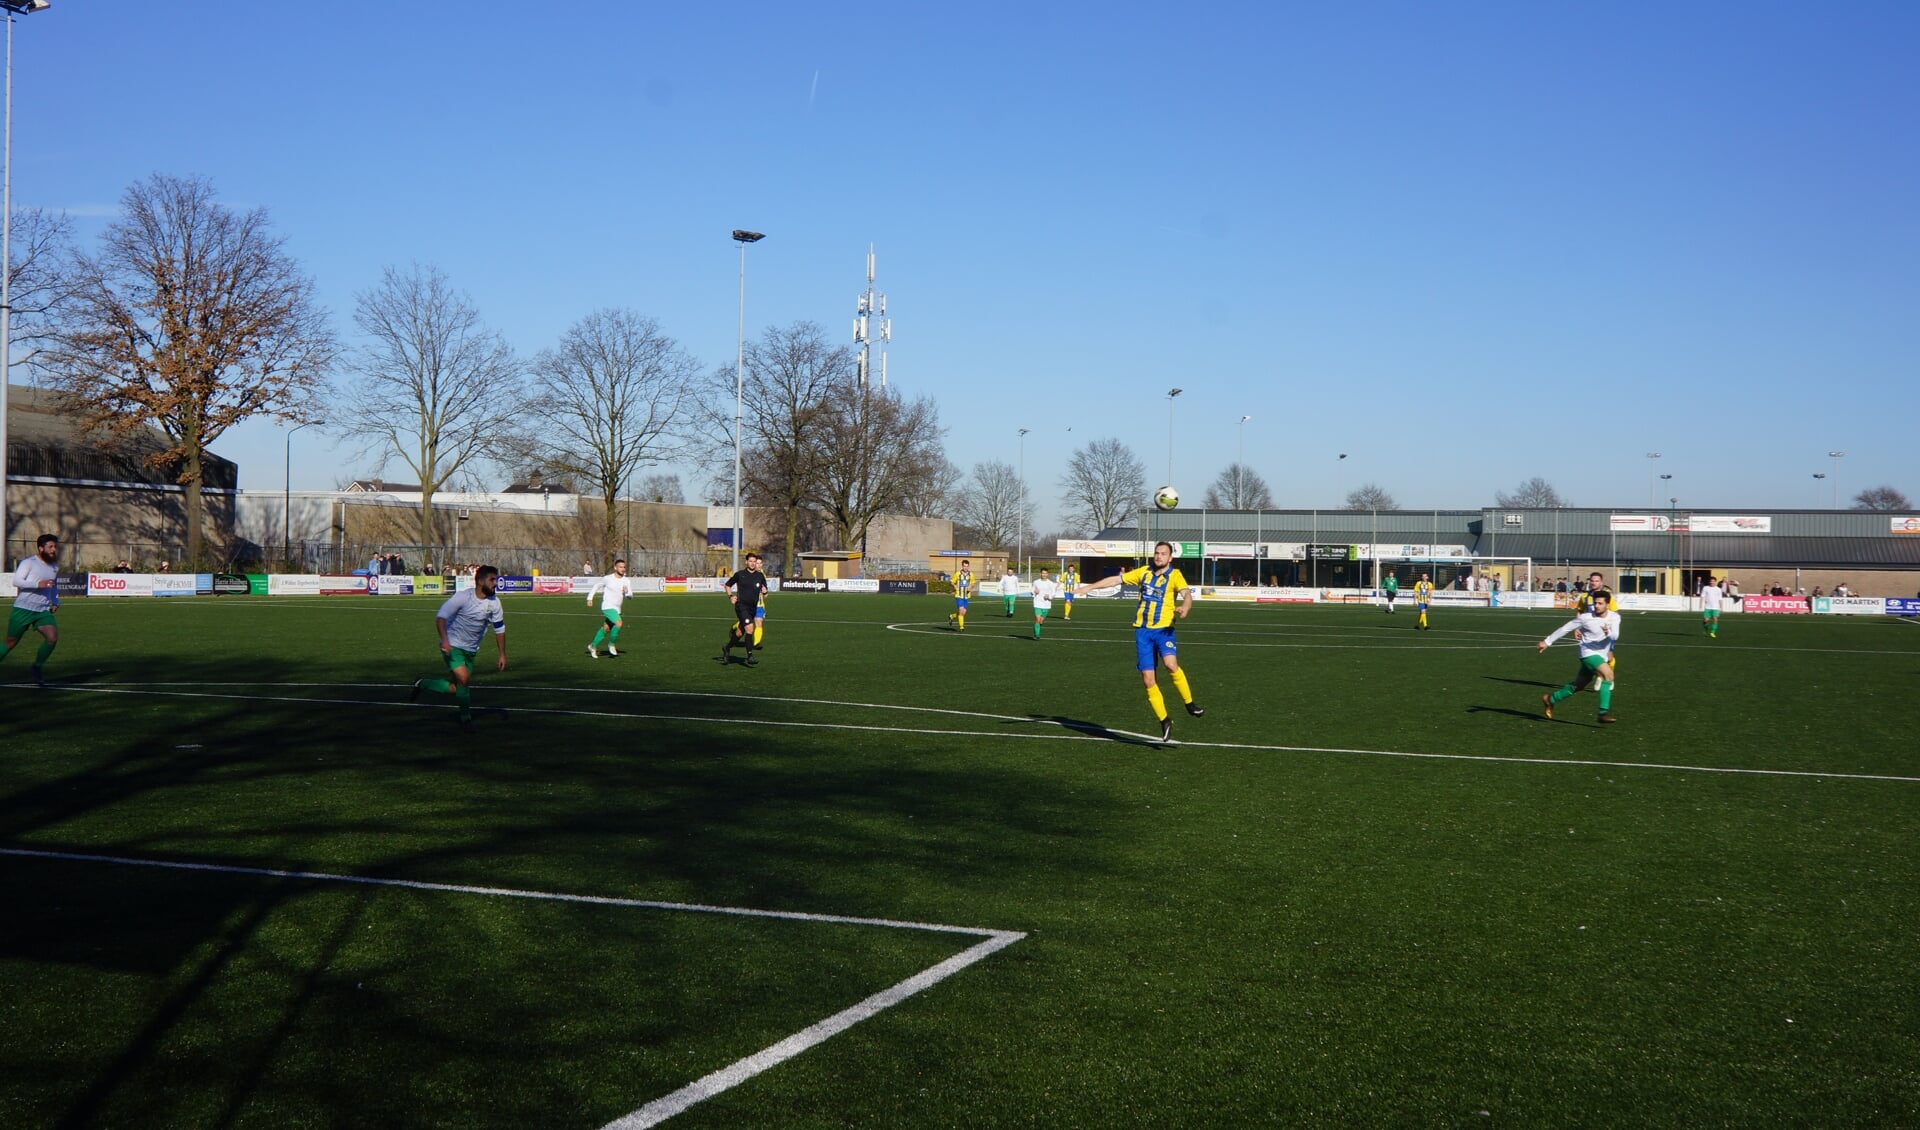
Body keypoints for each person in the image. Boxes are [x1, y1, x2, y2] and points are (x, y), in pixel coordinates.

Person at [1076, 540, 1203, 743]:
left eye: (1163, 553)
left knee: (1171, 665)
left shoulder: (1175, 576)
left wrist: (1185, 607)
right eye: (1157, 553)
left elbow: (1187, 595)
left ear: (1170, 558)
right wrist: (1088, 588)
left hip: (1164, 630)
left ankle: (1189, 703)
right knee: (1147, 680)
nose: (1159, 556)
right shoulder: (1143, 572)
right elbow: (1115, 580)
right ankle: (1164, 720)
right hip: (1143, 632)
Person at [410, 564, 507, 731]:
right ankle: (466, 720)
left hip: (471, 650)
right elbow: (441, 617)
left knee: (456, 688)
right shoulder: (463, 597)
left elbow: (499, 629)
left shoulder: (495, 603)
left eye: (496, 579)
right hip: (452, 645)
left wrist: (502, 654)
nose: (495, 583)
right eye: (492, 579)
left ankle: (423, 683)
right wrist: (445, 641)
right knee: (463, 679)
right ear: (480, 581)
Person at [1537, 589, 1620, 724]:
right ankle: (1602, 713)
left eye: (1600, 603)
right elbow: (1565, 628)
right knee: (1608, 675)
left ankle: (1550, 699)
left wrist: (1608, 633)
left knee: (1579, 685)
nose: (1596, 606)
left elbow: (1615, 635)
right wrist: (1547, 642)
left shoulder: (1615, 617)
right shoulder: (1586, 618)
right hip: (1588, 654)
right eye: (1595, 603)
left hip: (1602, 655)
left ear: (1607, 604)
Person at [4, 533, 62, 687]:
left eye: (54, 546)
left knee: (52, 637)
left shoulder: (54, 566)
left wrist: (55, 601)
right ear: (40, 548)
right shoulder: (29, 563)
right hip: (23, 608)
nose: (53, 549)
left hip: (42, 610)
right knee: (10, 643)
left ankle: (36, 667)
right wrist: (38, 585)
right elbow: (17, 581)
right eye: (50, 546)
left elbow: (53, 585)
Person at [722, 552, 768, 665]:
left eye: (754, 561)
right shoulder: (740, 574)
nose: (752, 563)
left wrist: (765, 591)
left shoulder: (760, 576)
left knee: (739, 632)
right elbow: (727, 585)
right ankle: (750, 655)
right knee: (750, 629)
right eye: (750, 561)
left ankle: (727, 648)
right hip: (741, 606)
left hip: (752, 608)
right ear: (746, 562)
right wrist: (731, 596)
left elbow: (765, 593)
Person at [585, 558, 632, 658]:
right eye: (620, 567)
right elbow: (596, 586)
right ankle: (611, 644)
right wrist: (590, 598)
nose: (623, 569)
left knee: (606, 628)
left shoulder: (626, 581)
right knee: (619, 623)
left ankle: (592, 646)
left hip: (617, 609)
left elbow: (630, 596)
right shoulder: (608, 578)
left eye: (624, 567)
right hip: (607, 606)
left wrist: (627, 592)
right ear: (615, 568)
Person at [1573, 572, 1618, 674]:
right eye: (1592, 581)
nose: (1594, 583)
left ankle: (1608, 678)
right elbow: (1580, 612)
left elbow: (1615, 613)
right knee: (1589, 656)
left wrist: (1609, 628)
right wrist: (1577, 628)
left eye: (1597, 581)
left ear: (1601, 582)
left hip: (1605, 631)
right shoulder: (1584, 596)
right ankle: (1600, 676)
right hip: (1590, 632)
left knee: (1609, 657)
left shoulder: (1607, 596)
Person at [1029, 567, 1058, 640]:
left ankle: (1038, 628)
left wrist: (1049, 596)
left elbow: (1054, 593)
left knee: (1041, 621)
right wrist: (1034, 592)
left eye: (1045, 573)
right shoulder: (1036, 582)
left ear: (1047, 574)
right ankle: (1037, 635)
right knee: (1037, 620)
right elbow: (1032, 591)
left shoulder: (1050, 583)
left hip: (1046, 604)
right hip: (1037, 603)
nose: (1044, 574)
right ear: (1040, 574)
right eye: (1042, 573)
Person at [949, 560, 974, 631]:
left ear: (968, 566)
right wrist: (954, 585)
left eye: (967, 566)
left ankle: (952, 616)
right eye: (964, 566)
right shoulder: (957, 574)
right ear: (962, 566)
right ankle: (961, 627)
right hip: (959, 595)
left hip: (966, 596)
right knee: (961, 610)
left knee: (963, 613)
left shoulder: (971, 574)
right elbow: (951, 581)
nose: (966, 567)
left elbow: (972, 582)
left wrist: (970, 586)